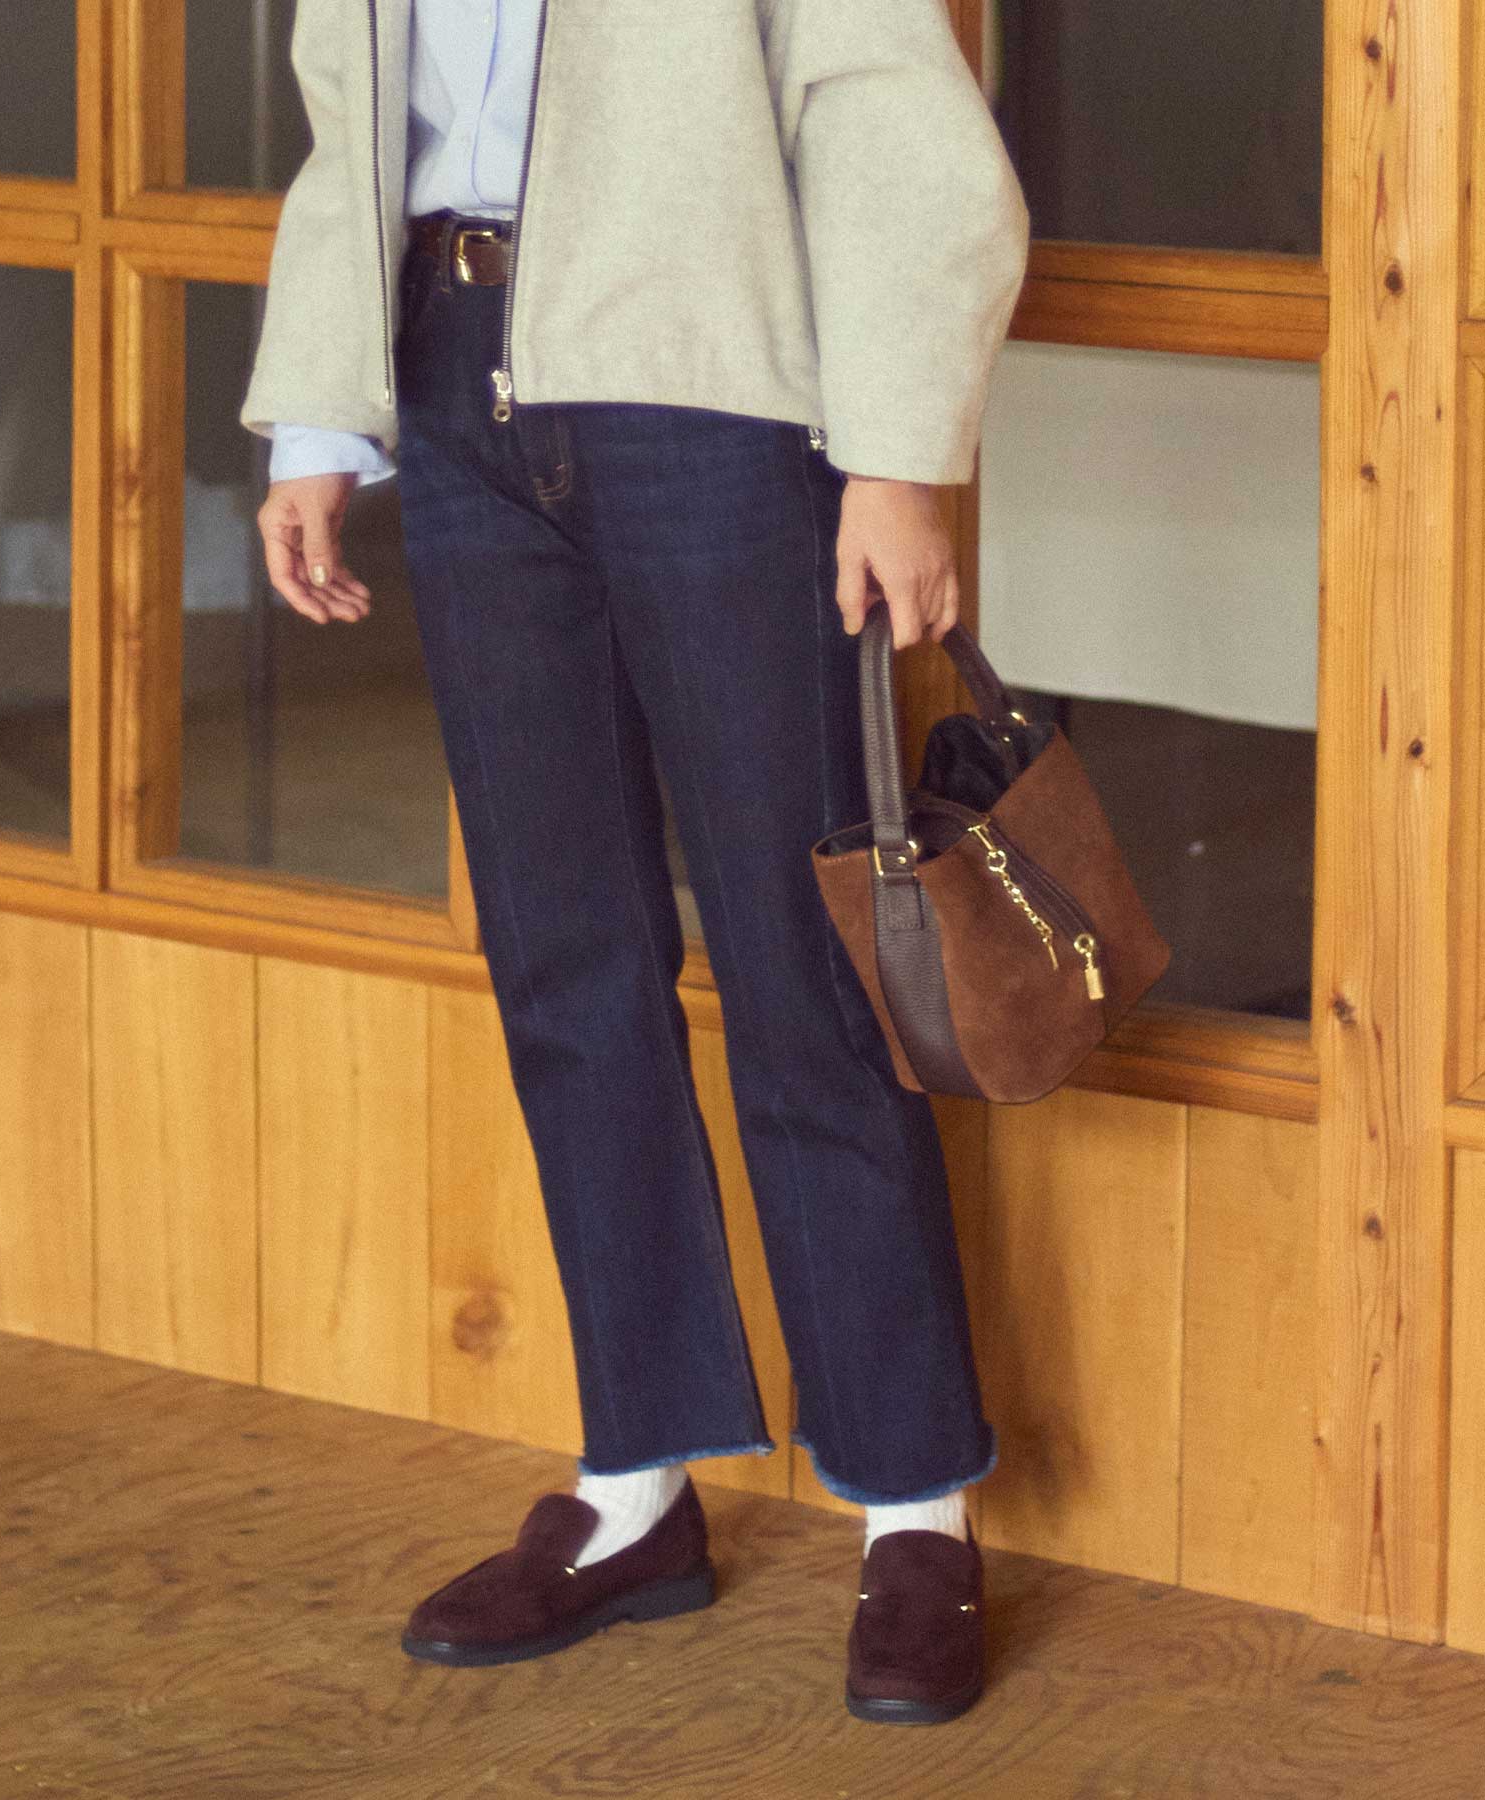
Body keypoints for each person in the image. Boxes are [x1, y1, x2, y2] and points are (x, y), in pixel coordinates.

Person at [241, 0, 1030, 1728]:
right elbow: (347, 112)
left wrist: (897, 453)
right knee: (567, 966)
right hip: (454, 386)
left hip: (710, 403)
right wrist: (314, 421)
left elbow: (889, 118)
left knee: (802, 963)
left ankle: (914, 1509)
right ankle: (636, 1487)